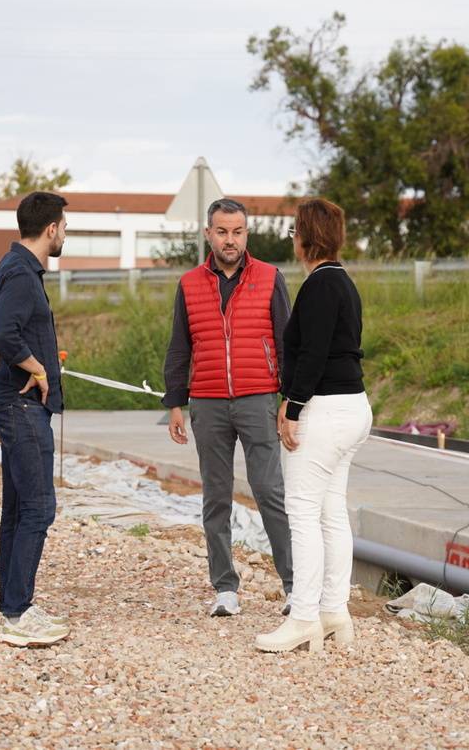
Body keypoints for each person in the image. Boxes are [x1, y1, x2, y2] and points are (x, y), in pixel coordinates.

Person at [162, 197, 294, 617]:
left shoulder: (270, 278)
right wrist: (175, 402)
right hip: (208, 403)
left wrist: (289, 400)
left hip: (259, 398)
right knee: (216, 497)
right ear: (208, 234)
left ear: (246, 234)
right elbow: (179, 346)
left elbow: (287, 342)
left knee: (270, 492)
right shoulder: (189, 284)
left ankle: (294, 587)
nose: (230, 239)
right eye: (222, 231)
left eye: (237, 231)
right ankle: (225, 588)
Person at [255, 197, 372, 654]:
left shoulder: (319, 286)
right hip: (353, 407)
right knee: (330, 511)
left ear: (307, 237)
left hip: (325, 411)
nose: (293, 239)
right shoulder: (343, 282)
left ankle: (303, 617)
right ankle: (334, 611)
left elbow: (313, 353)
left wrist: (292, 407)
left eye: (294, 231)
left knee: (302, 512)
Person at [0, 191, 71, 648]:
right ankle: (17, 616)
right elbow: (1, 332)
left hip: (14, 399)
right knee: (38, 508)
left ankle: (15, 605)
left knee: (17, 507)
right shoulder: (21, 275)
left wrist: (14, 361)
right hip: (21, 404)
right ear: (51, 229)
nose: (64, 234)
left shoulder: (12, 269)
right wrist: (33, 367)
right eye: (64, 227)